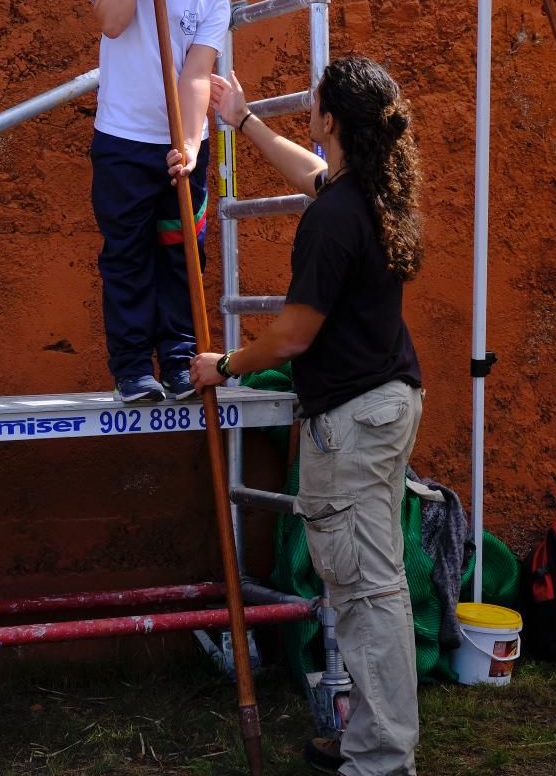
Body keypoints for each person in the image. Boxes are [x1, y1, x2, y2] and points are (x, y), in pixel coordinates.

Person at [188, 56, 425, 776]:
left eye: (314, 106)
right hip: (387, 405)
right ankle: (370, 742)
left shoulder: (334, 218)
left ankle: (381, 758)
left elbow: (293, 334)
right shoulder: (374, 194)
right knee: (370, 582)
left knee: (365, 589)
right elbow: (309, 174)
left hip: (354, 422)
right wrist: (245, 121)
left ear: (330, 121)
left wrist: (222, 365)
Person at [89, 0, 265, 403]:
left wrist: (190, 146)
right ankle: (132, 368)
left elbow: (196, 75)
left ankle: (180, 359)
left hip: (182, 149)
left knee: (182, 250)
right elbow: (111, 23)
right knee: (127, 256)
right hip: (122, 143)